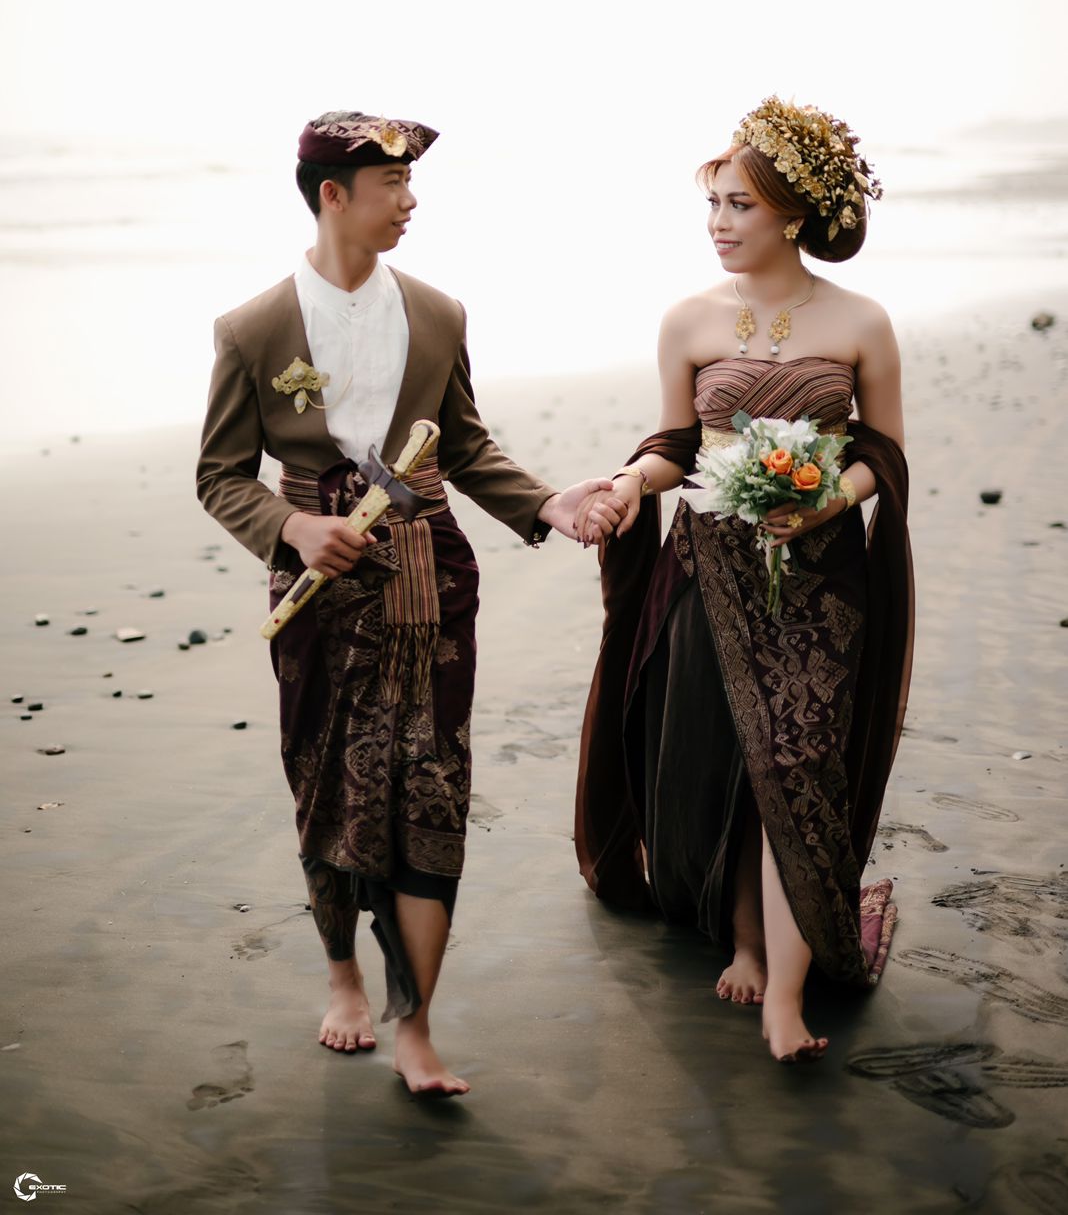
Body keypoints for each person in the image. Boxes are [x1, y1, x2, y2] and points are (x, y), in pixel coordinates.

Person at [197, 110, 623, 1096]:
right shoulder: (252, 330)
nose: (410, 199)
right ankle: (346, 978)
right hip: (317, 596)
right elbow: (221, 475)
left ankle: (418, 1023)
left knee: (433, 790)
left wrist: (547, 503)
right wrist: (293, 529)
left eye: (410, 181)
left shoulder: (437, 314)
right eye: (391, 183)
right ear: (332, 194)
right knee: (328, 786)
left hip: (435, 579)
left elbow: (464, 445)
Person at [573, 97, 913, 1064]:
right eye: (712, 205)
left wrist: (824, 501)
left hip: (822, 576)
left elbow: (883, 453)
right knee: (727, 756)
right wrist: (629, 483)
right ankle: (750, 942)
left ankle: (787, 996)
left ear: (792, 215)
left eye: (738, 206)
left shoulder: (861, 321)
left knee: (797, 761)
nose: (718, 224)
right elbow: (676, 446)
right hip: (709, 569)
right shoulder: (688, 320)